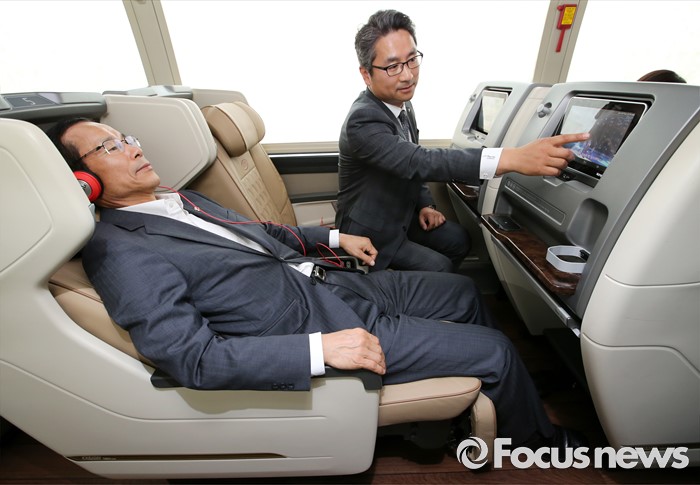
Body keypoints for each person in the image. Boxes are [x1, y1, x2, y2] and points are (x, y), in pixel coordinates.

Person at [48, 117, 586, 452]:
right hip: (319, 325)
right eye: (110, 148)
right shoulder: (120, 251)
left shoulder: (175, 198)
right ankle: (537, 443)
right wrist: (319, 349)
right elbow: (194, 359)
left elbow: (260, 234)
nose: (133, 148)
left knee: (462, 291)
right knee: (495, 350)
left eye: (126, 138)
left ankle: (498, 397)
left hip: (329, 284)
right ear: (82, 180)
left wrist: (334, 235)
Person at [336, 9, 589, 273]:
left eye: (411, 60)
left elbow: (407, 157)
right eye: (392, 66)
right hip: (373, 233)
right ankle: (417, 291)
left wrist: (425, 204)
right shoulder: (362, 120)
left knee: (459, 240)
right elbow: (417, 161)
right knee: (441, 268)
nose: (408, 75)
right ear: (366, 74)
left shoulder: (401, 104)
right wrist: (512, 157)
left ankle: (426, 290)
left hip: (402, 214)